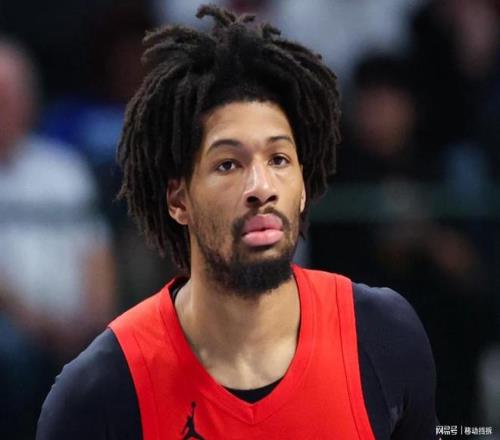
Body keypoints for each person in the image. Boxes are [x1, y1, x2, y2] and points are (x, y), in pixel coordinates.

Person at [37, 5, 437, 439]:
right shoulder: (98, 392)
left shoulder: (382, 335)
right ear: (178, 199)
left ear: (304, 187)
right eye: (228, 164)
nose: (261, 187)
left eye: (279, 159)